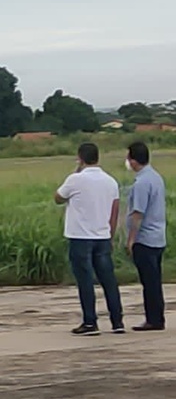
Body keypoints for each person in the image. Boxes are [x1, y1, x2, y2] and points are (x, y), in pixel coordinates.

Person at [54, 143, 124, 335]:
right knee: (108, 280)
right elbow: (115, 209)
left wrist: (76, 172)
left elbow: (58, 198)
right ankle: (117, 321)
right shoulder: (110, 181)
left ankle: (90, 321)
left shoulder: (75, 179)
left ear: (80, 158)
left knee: (85, 280)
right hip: (102, 235)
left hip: (80, 236)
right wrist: (110, 232)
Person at [124, 141, 166, 331]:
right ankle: (157, 317)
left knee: (149, 282)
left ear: (133, 160)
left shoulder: (141, 183)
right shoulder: (156, 177)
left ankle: (154, 319)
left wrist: (131, 239)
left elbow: (138, 214)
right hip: (158, 237)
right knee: (155, 280)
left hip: (145, 239)